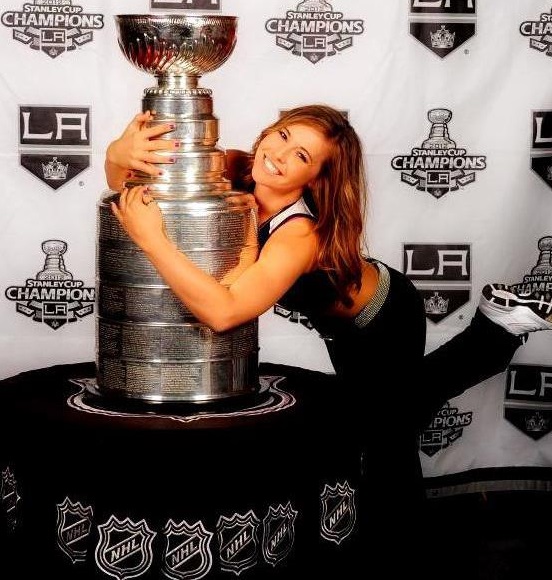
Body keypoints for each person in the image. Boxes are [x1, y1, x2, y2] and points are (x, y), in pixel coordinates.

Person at [104, 105, 552, 575]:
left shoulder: (297, 234)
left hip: (385, 318)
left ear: (316, 178)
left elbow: (224, 311)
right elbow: (131, 174)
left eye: (299, 155)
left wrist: (154, 241)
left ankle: (402, 559)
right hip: (340, 328)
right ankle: (498, 327)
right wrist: (120, 150)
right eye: (280, 135)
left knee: (388, 436)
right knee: (396, 411)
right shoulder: (238, 167)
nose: (276, 154)